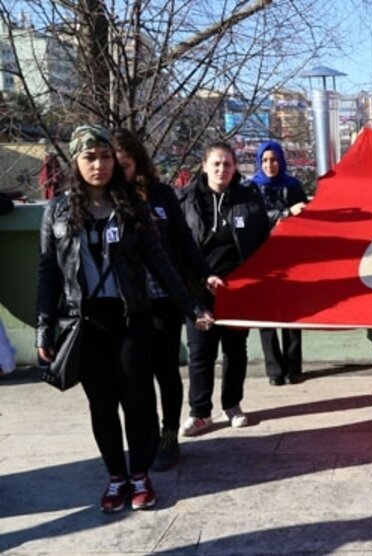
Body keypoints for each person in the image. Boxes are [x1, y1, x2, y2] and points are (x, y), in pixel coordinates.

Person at [36, 125, 213, 512]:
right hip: (86, 323)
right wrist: (43, 327)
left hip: (131, 318)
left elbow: (160, 262)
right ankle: (116, 476)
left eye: (104, 156)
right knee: (101, 404)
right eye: (89, 157)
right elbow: (48, 271)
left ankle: (140, 474)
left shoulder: (132, 206)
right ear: (75, 161)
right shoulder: (58, 211)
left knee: (137, 400)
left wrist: (192, 305)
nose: (98, 165)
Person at [111, 129, 218, 471]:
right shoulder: (104, 199)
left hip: (164, 297)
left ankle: (168, 433)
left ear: (137, 163)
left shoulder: (161, 195)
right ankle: (143, 437)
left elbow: (184, 241)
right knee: (132, 374)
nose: (115, 171)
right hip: (123, 303)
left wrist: (203, 274)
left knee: (165, 369)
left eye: (123, 165)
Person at [178, 142, 271, 436]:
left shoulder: (249, 199)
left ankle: (232, 405)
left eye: (228, 164)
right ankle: (199, 413)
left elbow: (262, 245)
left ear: (235, 168)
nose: (222, 170)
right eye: (216, 164)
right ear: (204, 165)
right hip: (198, 288)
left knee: (235, 350)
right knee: (200, 351)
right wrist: (200, 280)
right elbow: (176, 247)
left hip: (236, 289)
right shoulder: (185, 200)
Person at [248, 140, 308, 385]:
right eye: (264, 160)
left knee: (293, 315)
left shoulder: (293, 185)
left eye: (273, 160)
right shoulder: (251, 187)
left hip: (290, 257)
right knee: (266, 317)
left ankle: (294, 367)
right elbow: (254, 218)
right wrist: (285, 214)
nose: (269, 165)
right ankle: (274, 369)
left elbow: (305, 216)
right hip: (262, 258)